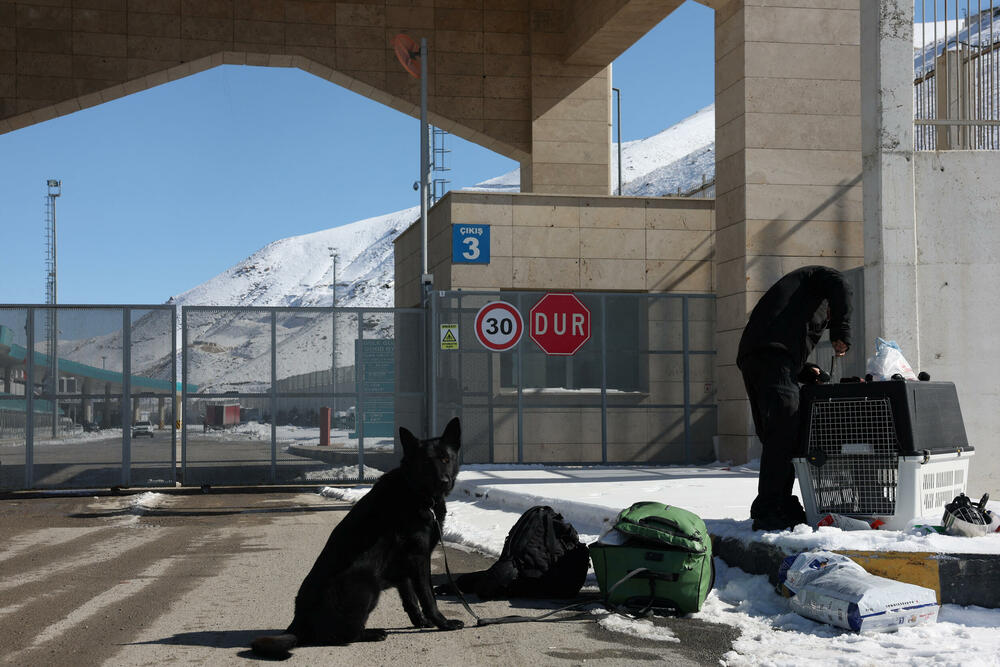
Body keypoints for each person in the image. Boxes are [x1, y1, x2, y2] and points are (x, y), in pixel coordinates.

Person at [737, 265, 852, 531]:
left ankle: (779, 503)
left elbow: (779, 334)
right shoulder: (821, 278)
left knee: (776, 434)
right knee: (785, 430)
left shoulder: (798, 298)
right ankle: (770, 508)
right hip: (771, 357)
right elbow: (841, 285)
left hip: (758, 357)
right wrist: (841, 332)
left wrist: (802, 369)